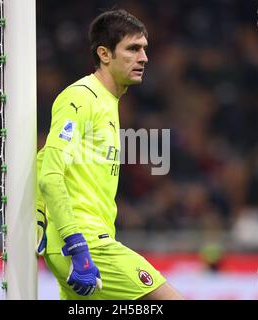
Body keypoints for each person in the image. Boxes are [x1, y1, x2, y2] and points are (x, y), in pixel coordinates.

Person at [36, 9, 183, 300]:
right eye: (132, 48)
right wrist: (75, 245)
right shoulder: (81, 97)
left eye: (144, 49)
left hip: (85, 242)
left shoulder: (109, 103)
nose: (144, 57)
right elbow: (50, 174)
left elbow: (43, 159)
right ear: (104, 54)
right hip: (84, 243)